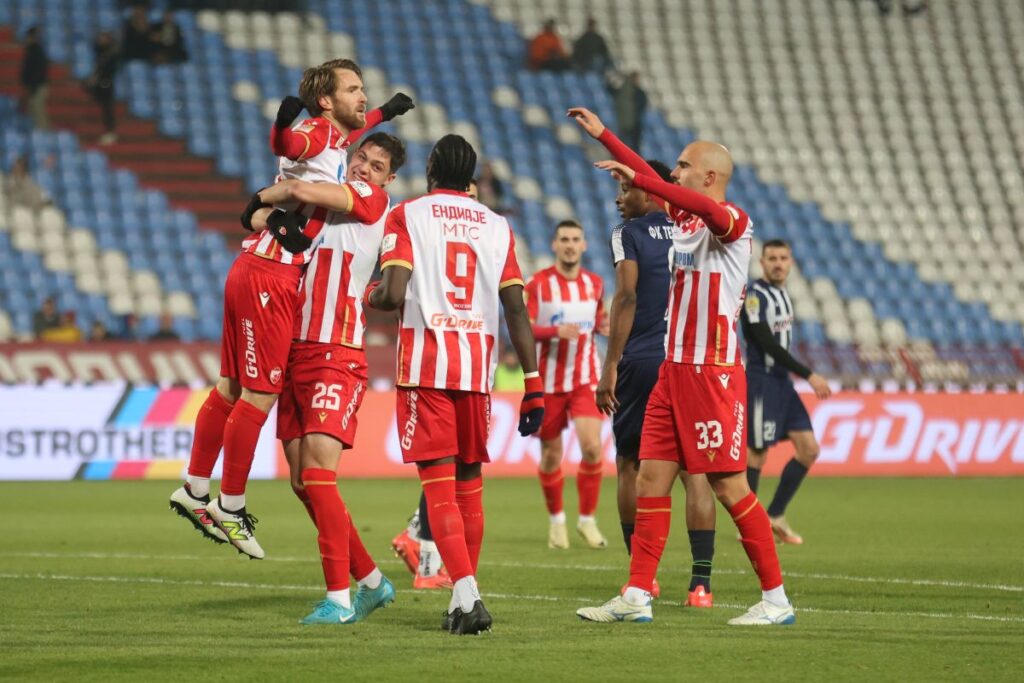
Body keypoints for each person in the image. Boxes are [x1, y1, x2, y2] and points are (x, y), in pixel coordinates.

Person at [167, 59, 413, 560]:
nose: (363, 97)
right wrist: (282, 128)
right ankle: (229, 506)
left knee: (230, 387)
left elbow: (351, 132)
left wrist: (386, 111)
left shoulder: (339, 138)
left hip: (251, 266)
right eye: (355, 89)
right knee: (260, 391)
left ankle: (194, 489)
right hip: (273, 277)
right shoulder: (319, 134)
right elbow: (291, 147)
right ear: (327, 101)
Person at [569, 106, 795, 626]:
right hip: (672, 371)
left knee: (727, 486)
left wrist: (643, 176)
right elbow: (658, 188)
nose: (673, 173)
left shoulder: (732, 223)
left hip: (712, 374)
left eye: (683, 166)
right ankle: (636, 593)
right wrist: (607, 136)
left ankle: (776, 600)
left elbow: (674, 194)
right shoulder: (684, 221)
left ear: (710, 177)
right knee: (650, 478)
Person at [368, 134, 543, 635]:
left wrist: (369, 295)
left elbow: (394, 290)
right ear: (472, 176)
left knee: (439, 489)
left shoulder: (408, 214)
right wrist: (533, 384)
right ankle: (461, 599)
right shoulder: (497, 225)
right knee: (470, 490)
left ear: (430, 168)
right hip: (477, 372)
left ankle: (467, 597)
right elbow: (515, 307)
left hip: (427, 367)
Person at [254, 131, 405, 624]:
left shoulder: (372, 202)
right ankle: (372, 582)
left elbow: (293, 191)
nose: (364, 167)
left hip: (336, 351)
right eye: (360, 157)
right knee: (302, 481)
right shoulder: (320, 209)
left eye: (377, 165)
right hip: (293, 351)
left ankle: (338, 599)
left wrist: (272, 195)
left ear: (389, 179)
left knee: (320, 472)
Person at [597, 159, 717, 607]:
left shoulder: (626, 233)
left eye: (626, 190)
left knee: (629, 463)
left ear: (647, 192)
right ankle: (701, 585)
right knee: (694, 471)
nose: (618, 199)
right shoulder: (693, 229)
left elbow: (626, 295)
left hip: (643, 361)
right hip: (690, 362)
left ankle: (642, 578)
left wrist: (610, 365)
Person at [525, 220, 609, 550]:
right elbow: (525, 327)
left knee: (592, 447)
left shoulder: (595, 284)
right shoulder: (539, 284)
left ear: (584, 245)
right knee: (551, 455)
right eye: (564, 239)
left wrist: (603, 327)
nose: (571, 244)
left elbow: (598, 320)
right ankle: (557, 522)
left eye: (576, 239)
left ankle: (587, 520)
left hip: (586, 378)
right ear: (554, 245)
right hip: (548, 381)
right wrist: (553, 332)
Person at [742, 239, 832, 545]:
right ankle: (750, 527)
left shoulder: (782, 294)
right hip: (762, 381)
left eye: (783, 258)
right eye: (772, 258)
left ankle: (776, 514)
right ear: (762, 262)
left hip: (782, 382)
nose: (778, 263)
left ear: (791, 263)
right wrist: (809, 374)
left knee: (809, 450)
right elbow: (766, 343)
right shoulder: (754, 296)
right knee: (757, 452)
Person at [87, 31, 120, 145]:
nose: (100, 40)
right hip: (100, 84)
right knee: (104, 107)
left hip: (106, 84)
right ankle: (108, 131)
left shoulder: (112, 54)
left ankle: (110, 131)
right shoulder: (100, 52)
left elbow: (111, 70)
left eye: (103, 37)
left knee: (107, 108)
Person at [609, 71, 648, 152]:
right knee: (631, 145)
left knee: (623, 145)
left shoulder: (623, 90)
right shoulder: (636, 92)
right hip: (630, 123)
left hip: (627, 123)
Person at [20, 26, 49, 130]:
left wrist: (33, 86)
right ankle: (39, 131)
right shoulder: (31, 50)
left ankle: (43, 132)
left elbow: (38, 70)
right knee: (33, 109)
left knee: (37, 109)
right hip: (34, 85)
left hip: (38, 86)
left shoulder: (37, 51)